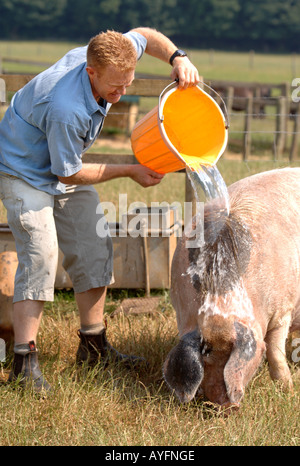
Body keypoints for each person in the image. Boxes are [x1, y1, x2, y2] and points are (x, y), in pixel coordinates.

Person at [0, 27, 200, 393]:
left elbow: (143, 34)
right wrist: (130, 170)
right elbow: (68, 171)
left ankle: (93, 347)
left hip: (58, 164)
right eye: (115, 87)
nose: (122, 94)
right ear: (91, 72)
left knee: (93, 241)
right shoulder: (67, 109)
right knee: (41, 253)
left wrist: (177, 57)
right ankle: (23, 364)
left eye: (129, 83)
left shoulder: (113, 54)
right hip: (22, 170)